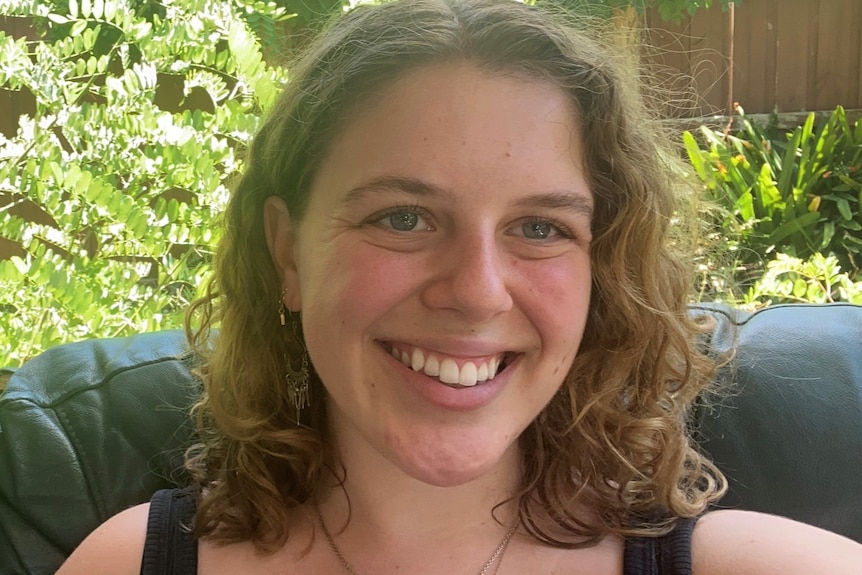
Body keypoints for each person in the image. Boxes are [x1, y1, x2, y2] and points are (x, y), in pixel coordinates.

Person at [58, 0, 862, 573]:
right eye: (404, 216)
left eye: (541, 227)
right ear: (289, 253)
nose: (477, 292)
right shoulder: (133, 562)